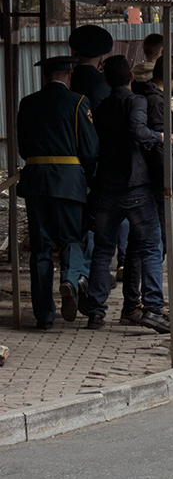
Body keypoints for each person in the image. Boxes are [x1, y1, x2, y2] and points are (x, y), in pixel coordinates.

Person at [85, 55, 170, 334]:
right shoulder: (137, 101)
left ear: (107, 80)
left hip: (105, 186)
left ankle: (96, 311)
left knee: (102, 250)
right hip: (134, 185)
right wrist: (159, 137)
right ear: (131, 77)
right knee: (150, 246)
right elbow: (137, 131)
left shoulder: (102, 106)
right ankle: (154, 309)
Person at [17, 55, 99, 328]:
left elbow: (23, 148)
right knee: (71, 238)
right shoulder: (78, 103)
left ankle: (44, 315)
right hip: (68, 181)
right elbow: (89, 149)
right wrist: (86, 177)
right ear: (68, 75)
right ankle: (68, 279)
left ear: (45, 77)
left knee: (40, 247)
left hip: (36, 181)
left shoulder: (27, 104)